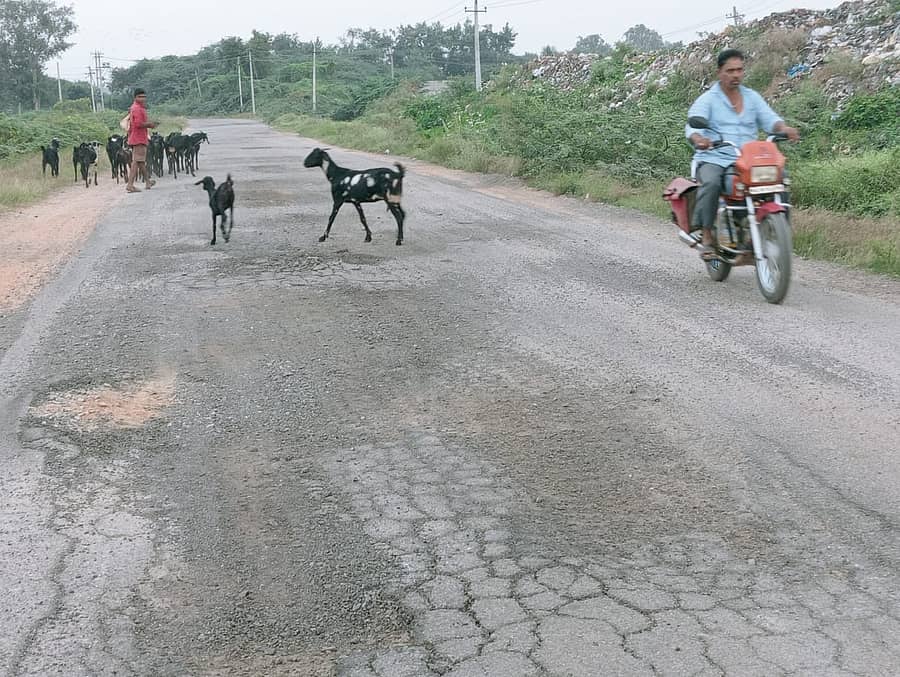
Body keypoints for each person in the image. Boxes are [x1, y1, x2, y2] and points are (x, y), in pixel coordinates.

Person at [686, 48, 799, 257]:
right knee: (711, 182)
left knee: (780, 177)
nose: (736, 75)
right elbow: (693, 127)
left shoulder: (752, 97)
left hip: (747, 159)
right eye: (730, 70)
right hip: (715, 157)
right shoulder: (708, 99)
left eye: (739, 70)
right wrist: (699, 139)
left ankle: (778, 230)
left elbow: (770, 119)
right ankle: (707, 234)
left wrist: (783, 129)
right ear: (720, 72)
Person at [125, 88, 158, 193]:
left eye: (144, 96)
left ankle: (147, 181)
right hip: (139, 137)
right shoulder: (137, 109)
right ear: (135, 97)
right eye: (140, 97)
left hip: (137, 137)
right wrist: (150, 125)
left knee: (140, 161)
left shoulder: (136, 107)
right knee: (136, 162)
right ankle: (130, 185)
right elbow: (138, 124)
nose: (143, 98)